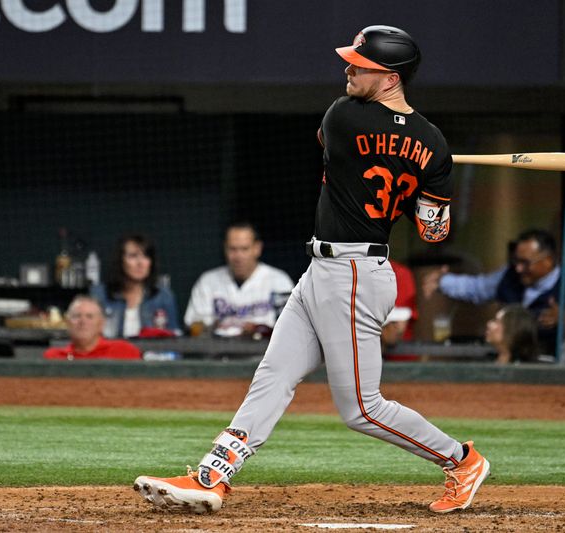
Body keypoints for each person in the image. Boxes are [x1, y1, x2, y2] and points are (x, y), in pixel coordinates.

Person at [134, 25, 490, 515]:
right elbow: (433, 231)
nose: (348, 68)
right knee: (273, 375)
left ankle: (462, 460)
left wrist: (410, 163)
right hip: (325, 270)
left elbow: (352, 155)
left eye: (360, 64)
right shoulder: (429, 142)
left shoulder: (346, 117)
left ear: (389, 78)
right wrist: (430, 171)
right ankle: (212, 477)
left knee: (362, 409)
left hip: (356, 274)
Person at [423, 228, 562, 354]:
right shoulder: (509, 276)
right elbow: (477, 287)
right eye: (516, 262)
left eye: (525, 263)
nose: (518, 268)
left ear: (548, 261)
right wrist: (442, 281)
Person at [184, 222, 294, 338]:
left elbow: (291, 328)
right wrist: (215, 325)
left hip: (264, 352)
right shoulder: (208, 282)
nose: (238, 256)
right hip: (218, 352)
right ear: (225, 249)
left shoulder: (279, 281)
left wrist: (258, 329)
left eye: (244, 249)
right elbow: (193, 326)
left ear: (257, 248)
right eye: (232, 249)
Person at [91, 234, 181, 338]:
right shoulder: (99, 294)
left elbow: (174, 341)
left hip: (151, 354)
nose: (140, 263)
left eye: (146, 256)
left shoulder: (163, 296)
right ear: (121, 261)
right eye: (133, 256)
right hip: (111, 354)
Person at [44, 296, 141, 359]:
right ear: (67, 323)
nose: (83, 321)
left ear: (101, 324)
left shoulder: (124, 351)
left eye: (89, 316)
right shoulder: (54, 357)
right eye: (76, 316)